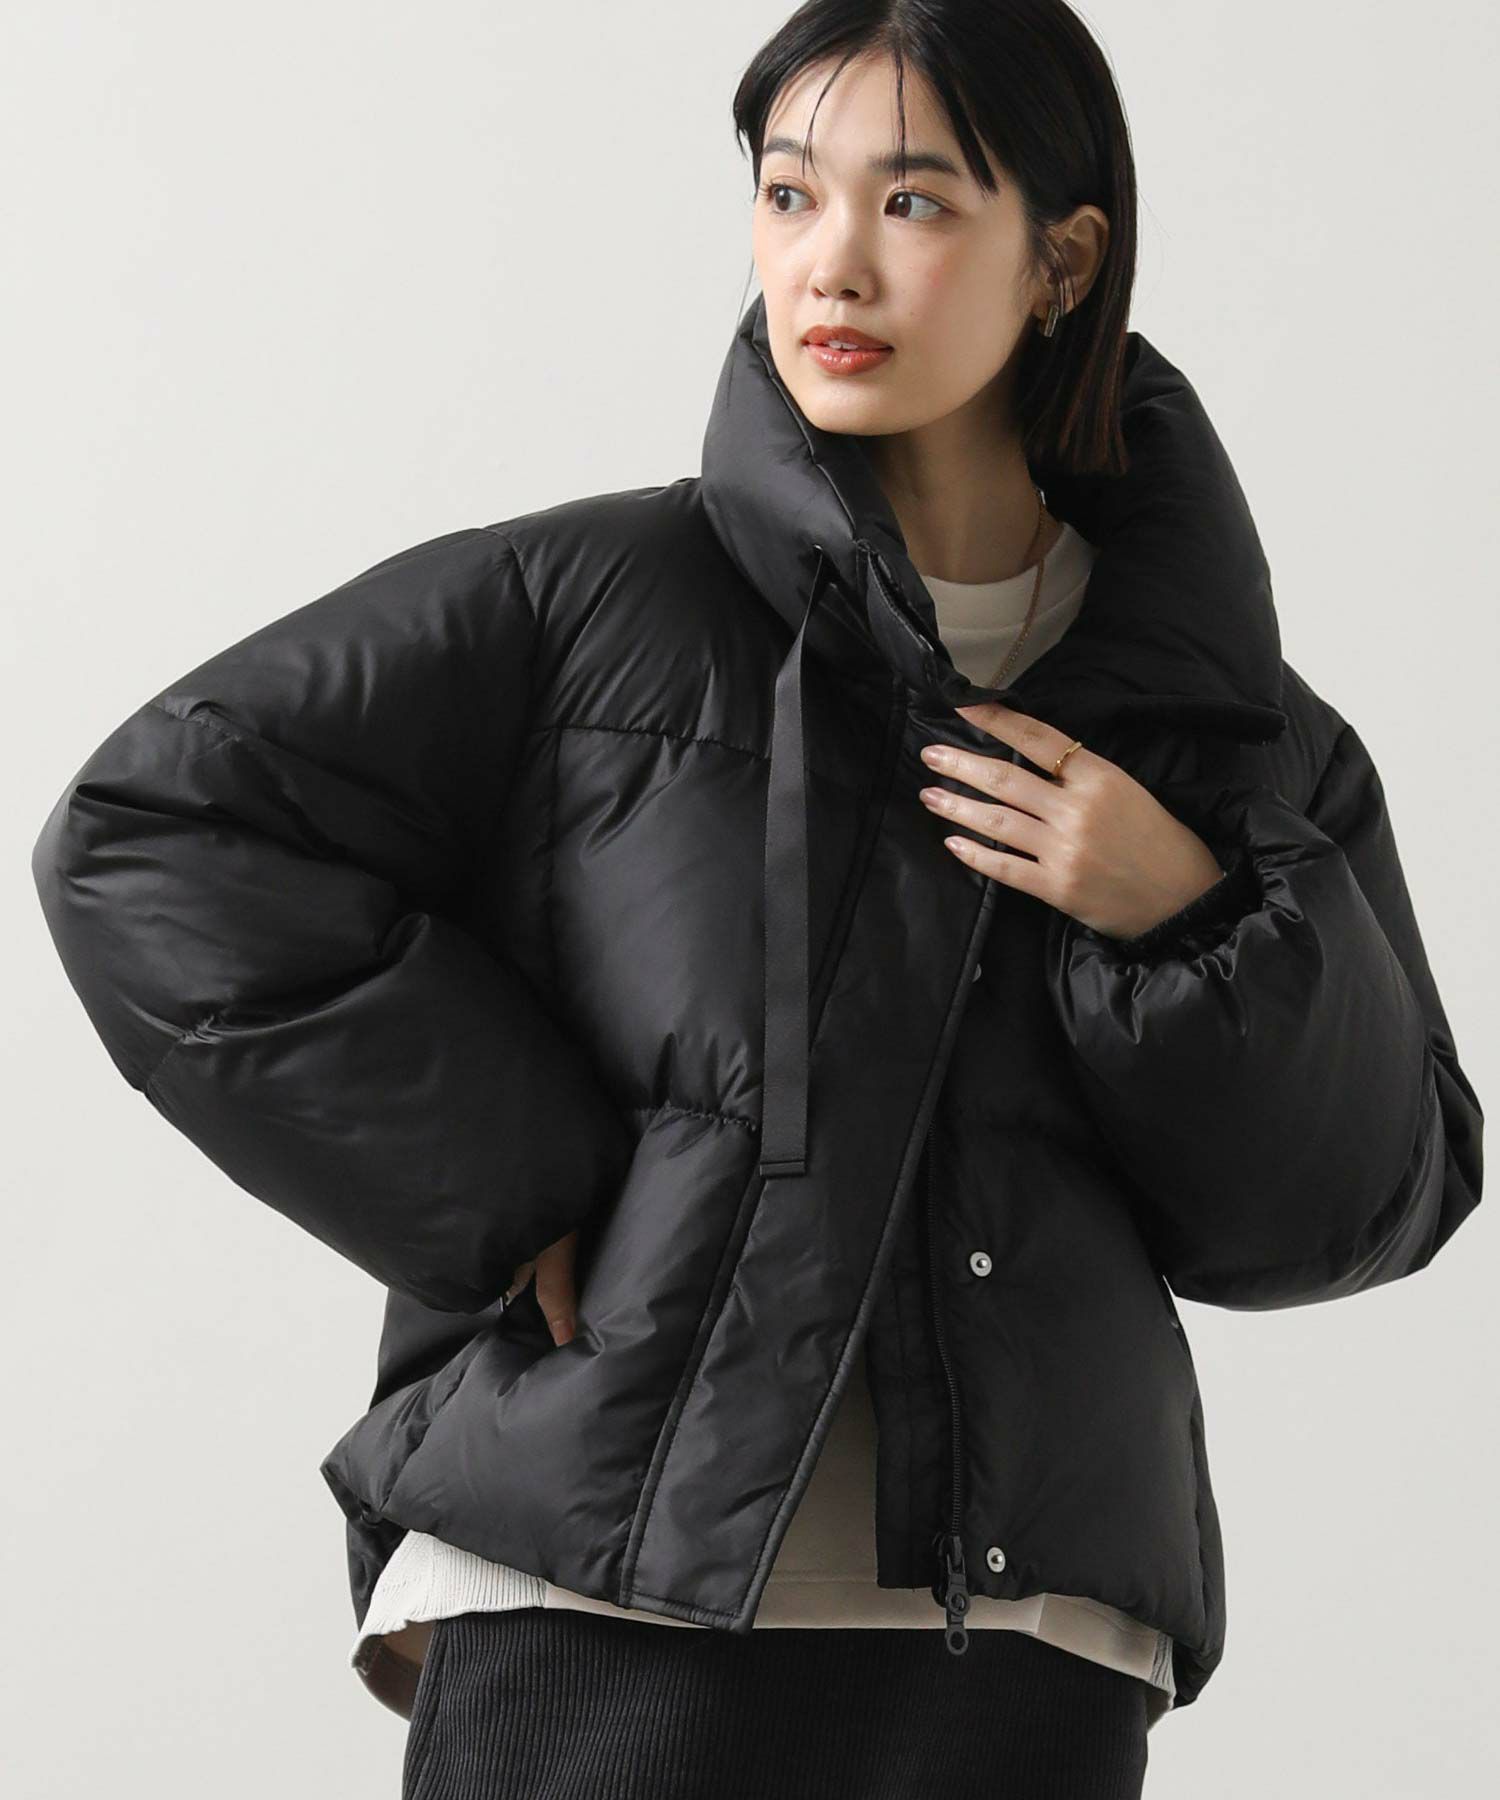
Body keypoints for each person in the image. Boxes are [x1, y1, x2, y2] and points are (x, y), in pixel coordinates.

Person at [30, 4, 1482, 1797]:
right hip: (601, 1604)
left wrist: (1185, 915)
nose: (831, 262)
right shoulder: (590, 603)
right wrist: (512, 1184)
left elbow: (1369, 1197)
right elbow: (153, 831)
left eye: (915, 202)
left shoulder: (1236, 732)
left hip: (1022, 1651)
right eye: (790, 194)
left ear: (1062, 261)